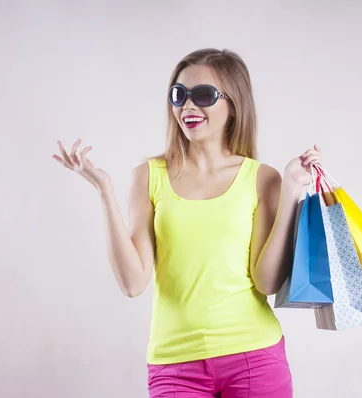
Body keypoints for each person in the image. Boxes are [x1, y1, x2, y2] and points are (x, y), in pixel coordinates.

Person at [53, 48, 323, 398]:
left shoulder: (262, 178)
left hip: (254, 359)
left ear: (233, 104)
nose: (187, 106)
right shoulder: (148, 177)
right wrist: (104, 189)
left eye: (203, 95)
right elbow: (133, 283)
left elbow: (267, 281)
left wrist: (290, 190)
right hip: (175, 365)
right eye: (179, 95)